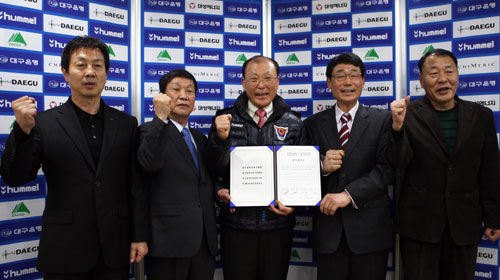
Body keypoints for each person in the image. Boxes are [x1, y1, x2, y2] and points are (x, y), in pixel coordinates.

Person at [0, 36, 148, 279]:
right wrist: (22, 132)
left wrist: (139, 235)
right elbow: (15, 177)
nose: (89, 72)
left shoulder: (126, 124)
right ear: (66, 73)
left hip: (114, 247)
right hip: (64, 249)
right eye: (81, 65)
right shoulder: (43, 123)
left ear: (106, 74)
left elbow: (136, 185)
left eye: (97, 65)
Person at [387, 48, 500, 280]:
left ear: (458, 75)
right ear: (421, 80)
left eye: (449, 71)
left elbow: (490, 171)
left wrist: (493, 217)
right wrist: (397, 129)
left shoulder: (481, 116)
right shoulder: (408, 115)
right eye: (433, 73)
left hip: (464, 223)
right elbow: (398, 162)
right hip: (419, 225)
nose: (442, 79)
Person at [207, 56, 306, 280]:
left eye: (268, 78)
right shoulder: (225, 119)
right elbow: (212, 168)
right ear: (243, 83)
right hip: (236, 225)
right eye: (253, 79)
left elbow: (302, 175)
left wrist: (294, 205)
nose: (261, 85)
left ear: (278, 82)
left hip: (278, 225)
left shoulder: (294, 122)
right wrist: (219, 191)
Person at [303, 53, 394, 280]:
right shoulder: (312, 124)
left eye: (354, 76)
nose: (347, 82)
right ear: (329, 82)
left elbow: (387, 168)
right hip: (329, 232)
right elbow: (300, 172)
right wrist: (322, 166)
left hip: (371, 231)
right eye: (340, 76)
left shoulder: (383, 120)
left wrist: (348, 195)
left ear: (363, 81)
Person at [137, 70, 218, 280]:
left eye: (189, 91)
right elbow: (148, 163)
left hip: (204, 242)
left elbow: (205, 181)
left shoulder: (199, 138)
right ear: (162, 96)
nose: (184, 95)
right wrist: (160, 117)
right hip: (168, 243)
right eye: (176, 90)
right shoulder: (148, 131)